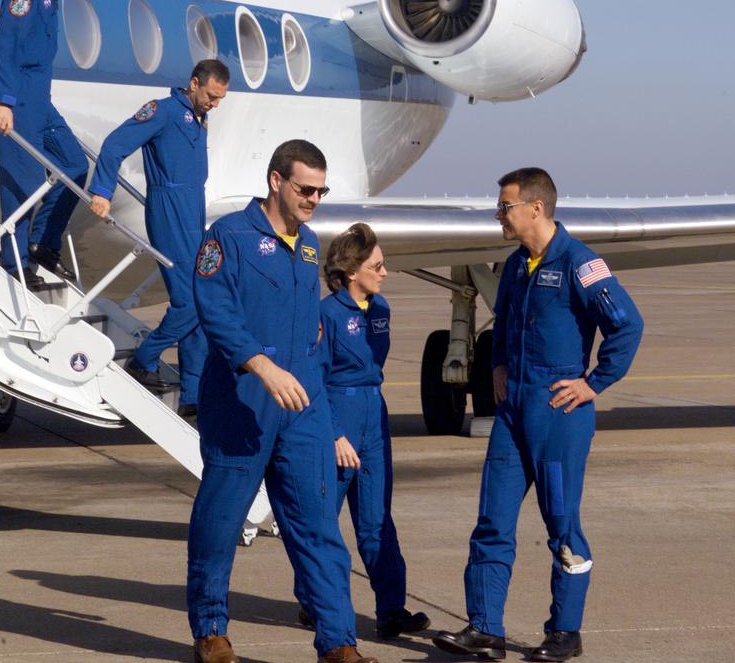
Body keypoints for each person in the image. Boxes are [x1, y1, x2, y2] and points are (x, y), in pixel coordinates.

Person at [433, 167, 643, 663]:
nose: (498, 214)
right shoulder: (515, 264)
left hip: (558, 412)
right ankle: (485, 628)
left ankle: (564, 631)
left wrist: (593, 383)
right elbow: (505, 321)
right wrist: (501, 364)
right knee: (492, 520)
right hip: (513, 412)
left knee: (561, 524)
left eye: (505, 206)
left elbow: (627, 326)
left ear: (536, 208)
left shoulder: (580, 263)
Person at [187, 140, 377, 663]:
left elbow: (308, 328)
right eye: (305, 188)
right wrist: (260, 364)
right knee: (221, 523)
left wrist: (323, 410)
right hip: (242, 399)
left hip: (302, 406)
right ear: (276, 181)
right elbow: (214, 307)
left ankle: (338, 643)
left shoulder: (312, 244)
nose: (314, 198)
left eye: (321, 190)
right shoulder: (228, 236)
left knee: (318, 526)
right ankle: (211, 632)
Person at [294, 222, 430, 639]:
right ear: (351, 270)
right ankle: (313, 602)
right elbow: (314, 378)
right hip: (337, 415)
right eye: (377, 265)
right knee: (323, 519)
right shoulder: (327, 314)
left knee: (376, 521)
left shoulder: (382, 310)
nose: (385, 272)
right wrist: (334, 434)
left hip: (374, 415)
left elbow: (375, 366)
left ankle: (391, 609)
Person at [87, 60, 229, 412]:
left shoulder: (199, 118)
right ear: (194, 83)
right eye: (211, 95)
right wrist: (101, 191)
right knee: (191, 302)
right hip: (169, 209)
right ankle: (145, 359)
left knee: (200, 299)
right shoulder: (162, 112)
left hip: (194, 209)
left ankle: (193, 395)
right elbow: (114, 144)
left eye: (220, 98)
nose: (215, 103)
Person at [0, 0, 99, 285]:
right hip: (18, 101)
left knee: (75, 165)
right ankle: (14, 265)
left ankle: (42, 243)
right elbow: (5, 47)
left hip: (40, 103)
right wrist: (4, 101)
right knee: (22, 186)